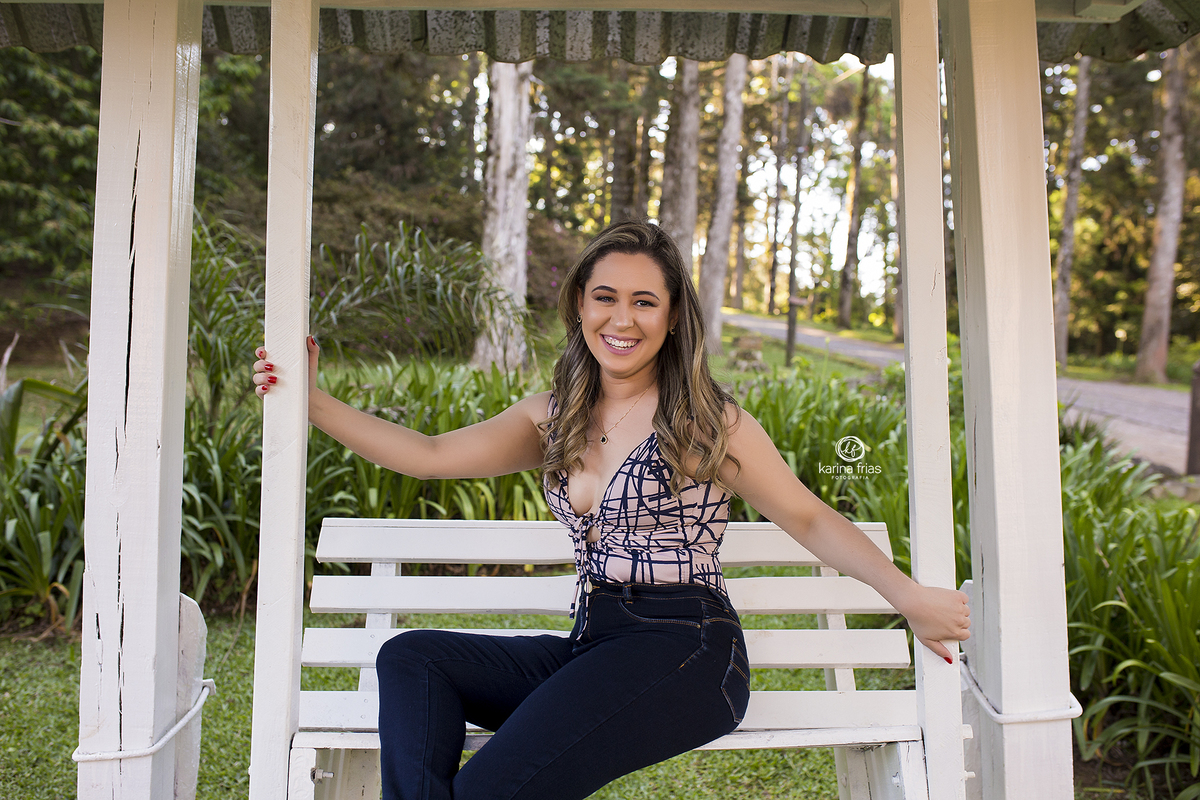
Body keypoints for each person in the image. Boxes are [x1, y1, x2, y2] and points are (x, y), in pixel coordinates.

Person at [252, 220, 970, 800]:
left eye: (643, 301)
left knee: (491, 790)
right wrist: (311, 401)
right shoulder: (552, 418)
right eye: (605, 296)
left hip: (685, 650)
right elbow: (430, 453)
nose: (620, 318)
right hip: (593, 642)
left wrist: (908, 598)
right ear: (580, 304)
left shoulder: (700, 421)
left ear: (672, 315)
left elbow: (808, 517)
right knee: (412, 658)